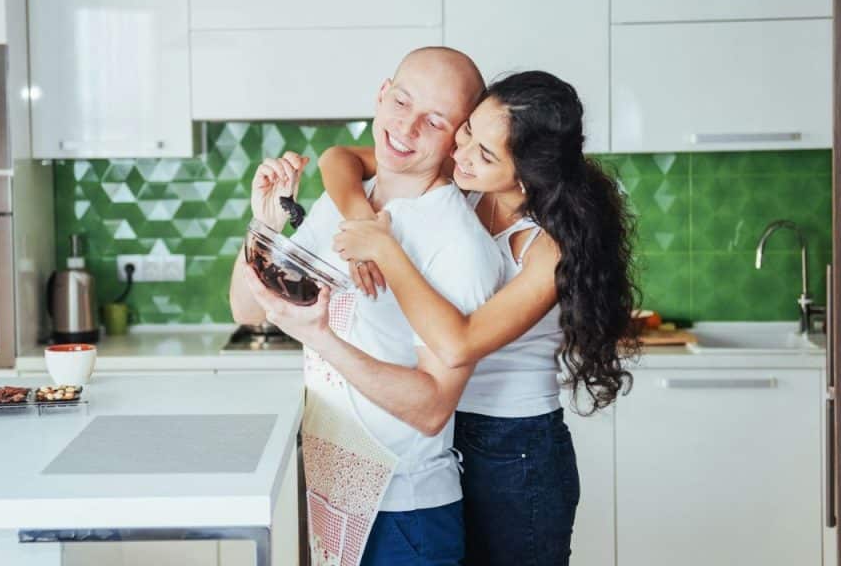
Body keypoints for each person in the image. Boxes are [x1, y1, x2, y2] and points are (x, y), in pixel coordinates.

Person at [267, 70, 639, 566]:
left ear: (529, 172)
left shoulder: (549, 248)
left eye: (485, 154)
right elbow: (341, 159)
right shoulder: (467, 183)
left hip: (516, 451)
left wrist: (384, 248)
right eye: (467, 132)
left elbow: (458, 343)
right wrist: (361, 217)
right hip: (450, 433)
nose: (461, 154)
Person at [230, 47, 505, 566]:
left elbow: (430, 409)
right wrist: (263, 227)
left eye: (435, 120)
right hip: (333, 490)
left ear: (457, 138)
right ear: (382, 94)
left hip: (406, 513)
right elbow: (247, 309)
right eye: (402, 101)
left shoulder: (459, 245)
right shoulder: (344, 197)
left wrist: (320, 338)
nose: (408, 126)